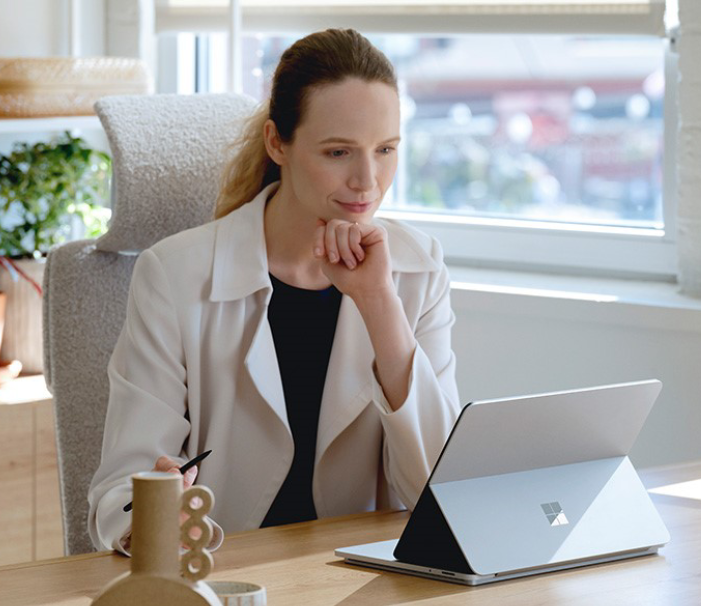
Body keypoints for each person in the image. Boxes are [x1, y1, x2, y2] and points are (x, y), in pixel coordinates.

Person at [87, 28, 461, 555]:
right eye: (338, 152)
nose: (367, 181)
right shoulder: (173, 275)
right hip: (231, 575)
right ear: (277, 142)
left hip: (363, 581)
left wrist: (380, 305)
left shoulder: (417, 270)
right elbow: (119, 494)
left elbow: (441, 495)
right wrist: (156, 511)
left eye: (385, 150)